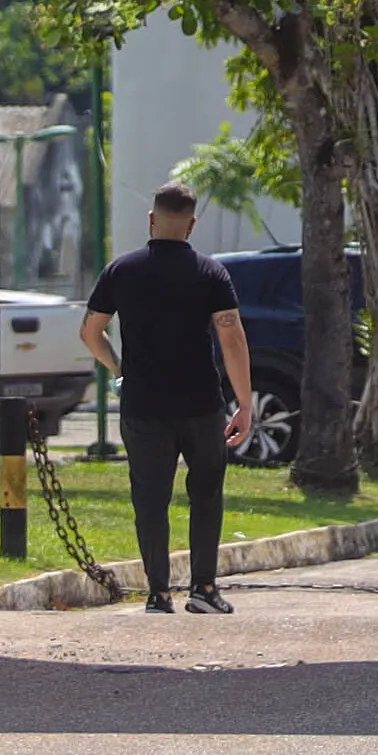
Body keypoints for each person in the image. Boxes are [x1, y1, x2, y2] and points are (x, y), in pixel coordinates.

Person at [79, 184, 253, 615]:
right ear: (192, 225)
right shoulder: (211, 273)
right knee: (206, 494)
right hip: (201, 404)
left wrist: (118, 369)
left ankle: (158, 594)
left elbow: (91, 332)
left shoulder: (121, 271)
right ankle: (204, 589)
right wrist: (245, 403)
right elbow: (231, 338)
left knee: (150, 499)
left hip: (143, 405)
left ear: (151, 220)